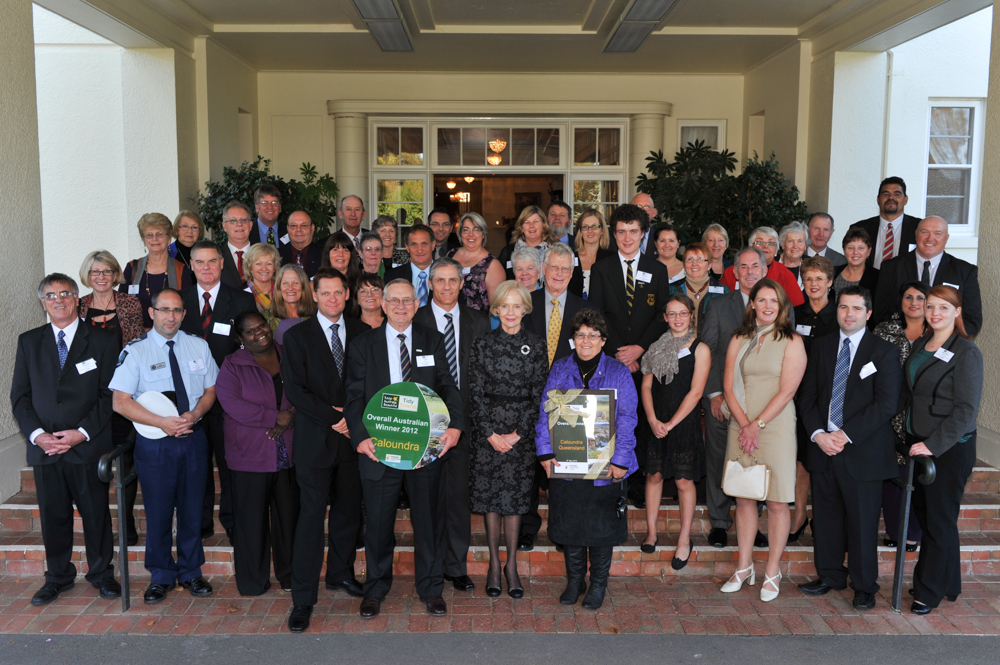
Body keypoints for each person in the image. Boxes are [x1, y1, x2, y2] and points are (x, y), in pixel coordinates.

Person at [344, 279, 465, 619]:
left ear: (416, 305)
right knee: (379, 525)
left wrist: (455, 426)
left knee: (428, 523)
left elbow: (446, 386)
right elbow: (353, 397)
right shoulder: (362, 345)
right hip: (379, 448)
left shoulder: (432, 340)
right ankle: (376, 589)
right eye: (393, 301)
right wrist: (360, 437)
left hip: (425, 448)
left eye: (407, 301)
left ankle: (431, 589)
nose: (400, 306)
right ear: (382, 305)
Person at [10, 273, 121, 606]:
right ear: (43, 303)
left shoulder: (102, 340)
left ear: (77, 299)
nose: (58, 300)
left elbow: (109, 394)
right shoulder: (29, 341)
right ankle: (58, 577)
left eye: (65, 293)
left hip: (86, 445)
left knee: (95, 514)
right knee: (54, 517)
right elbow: (20, 396)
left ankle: (102, 574)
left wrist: (81, 433)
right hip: (45, 448)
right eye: (50, 295)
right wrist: (38, 435)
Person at [110, 288, 219, 604]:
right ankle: (160, 575)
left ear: (184, 314)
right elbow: (120, 402)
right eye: (164, 310)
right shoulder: (136, 352)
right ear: (152, 313)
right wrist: (162, 423)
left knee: (192, 508)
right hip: (155, 444)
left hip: (194, 439)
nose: (170, 316)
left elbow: (211, 389)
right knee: (157, 511)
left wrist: (196, 413)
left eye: (177, 310)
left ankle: (190, 572)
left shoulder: (198, 346)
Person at [796, 286, 902, 610]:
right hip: (823, 448)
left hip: (862, 451)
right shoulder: (823, 346)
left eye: (857, 308)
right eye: (844, 307)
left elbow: (887, 404)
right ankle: (830, 575)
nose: (849, 313)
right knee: (826, 519)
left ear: (868, 313)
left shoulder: (883, 351)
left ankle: (864, 585)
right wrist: (817, 434)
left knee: (862, 523)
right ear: (838, 310)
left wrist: (844, 434)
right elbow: (808, 397)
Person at [282, 267, 369, 632]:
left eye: (339, 292)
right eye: (326, 293)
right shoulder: (297, 336)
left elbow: (373, 383)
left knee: (349, 513)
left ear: (347, 294)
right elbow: (296, 390)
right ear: (314, 295)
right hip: (316, 440)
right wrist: (334, 419)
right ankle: (303, 599)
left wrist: (353, 419)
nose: (333, 299)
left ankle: (341, 574)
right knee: (310, 520)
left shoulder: (366, 332)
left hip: (354, 440)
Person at [536, 308, 638, 610]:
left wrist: (620, 461)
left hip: (606, 467)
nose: (586, 340)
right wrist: (545, 453)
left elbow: (628, 417)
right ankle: (575, 579)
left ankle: (598, 584)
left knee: (601, 527)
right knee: (571, 525)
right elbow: (546, 412)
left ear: (603, 339)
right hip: (567, 464)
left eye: (593, 335)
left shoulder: (618, 372)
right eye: (580, 334)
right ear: (573, 339)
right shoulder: (560, 369)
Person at [720, 279, 806, 602]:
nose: (768, 306)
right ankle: (744, 567)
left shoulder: (792, 340)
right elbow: (728, 387)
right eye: (762, 300)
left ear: (781, 306)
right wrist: (744, 425)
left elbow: (788, 391)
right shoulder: (739, 339)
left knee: (777, 501)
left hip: (775, 427)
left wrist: (757, 425)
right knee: (744, 496)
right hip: (740, 426)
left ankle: (772, 569)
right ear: (752, 304)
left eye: (774, 301)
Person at [902, 286, 983, 615]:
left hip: (947, 449)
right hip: (918, 442)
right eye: (930, 306)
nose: (935, 313)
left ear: (957, 312)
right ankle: (948, 581)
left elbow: (965, 411)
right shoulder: (923, 343)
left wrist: (932, 444)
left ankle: (928, 591)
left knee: (938, 520)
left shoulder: (966, 352)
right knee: (930, 516)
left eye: (943, 308)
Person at [414, 258, 492, 592]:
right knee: (427, 499)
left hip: (466, 422)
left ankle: (455, 565)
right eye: (440, 280)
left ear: (462, 285)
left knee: (458, 497)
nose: (446, 286)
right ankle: (430, 563)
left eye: (452, 281)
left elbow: (484, 374)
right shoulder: (415, 320)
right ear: (430, 284)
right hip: (424, 422)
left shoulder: (479, 321)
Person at [466, 281, 546, 597]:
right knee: (490, 499)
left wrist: (517, 434)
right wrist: (489, 433)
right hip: (487, 434)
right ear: (496, 309)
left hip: (519, 434)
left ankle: (511, 565)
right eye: (504, 306)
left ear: (525, 309)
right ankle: (493, 565)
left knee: (514, 500)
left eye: (517, 306)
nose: (510, 312)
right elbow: (474, 390)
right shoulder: (482, 343)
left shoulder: (537, 345)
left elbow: (539, 394)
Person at [215, 311, 299, 597]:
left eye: (261, 326)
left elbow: (307, 390)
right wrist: (274, 417)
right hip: (249, 454)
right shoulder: (232, 365)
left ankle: (289, 576)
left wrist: (291, 416)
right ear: (240, 339)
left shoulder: (290, 354)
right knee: (251, 523)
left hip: (288, 452)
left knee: (288, 521)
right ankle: (253, 582)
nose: (258, 333)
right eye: (249, 331)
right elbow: (231, 404)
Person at [180, 240, 257, 543]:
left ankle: (234, 520)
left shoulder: (242, 301)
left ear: (222, 263)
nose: (207, 268)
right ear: (192, 266)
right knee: (197, 465)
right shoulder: (179, 300)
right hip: (190, 398)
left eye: (212, 261)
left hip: (228, 398)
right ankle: (200, 523)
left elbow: (250, 348)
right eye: (200, 262)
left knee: (229, 463)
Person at [517, 243, 585, 552]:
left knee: (563, 469)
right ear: (543, 269)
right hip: (526, 400)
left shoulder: (585, 309)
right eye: (553, 267)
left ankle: (563, 530)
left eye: (565, 269)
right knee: (529, 469)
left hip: (567, 402)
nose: (558, 273)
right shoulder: (524, 304)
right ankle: (527, 528)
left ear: (572, 274)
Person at [699, 247, 767, 548]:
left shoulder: (775, 306)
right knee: (719, 460)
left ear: (764, 270)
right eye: (744, 266)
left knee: (756, 459)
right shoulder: (717, 306)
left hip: (762, 403)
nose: (750, 271)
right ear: (734, 272)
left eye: (756, 266)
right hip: (722, 401)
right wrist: (714, 394)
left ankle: (753, 523)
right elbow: (707, 351)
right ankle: (720, 522)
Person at [78, 251, 144, 544]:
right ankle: (100, 524)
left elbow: (137, 345)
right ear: (87, 276)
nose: (101, 277)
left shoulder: (130, 303)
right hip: (88, 394)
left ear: (116, 275)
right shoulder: (78, 306)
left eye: (107, 271)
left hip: (122, 389)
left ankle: (126, 521)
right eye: (95, 272)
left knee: (125, 457)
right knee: (95, 460)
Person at [639, 293, 709, 568]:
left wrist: (671, 424)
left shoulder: (700, 348)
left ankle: (683, 539)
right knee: (654, 475)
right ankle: (652, 531)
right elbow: (645, 386)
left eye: (683, 313)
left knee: (683, 482)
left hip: (684, 423)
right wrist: (654, 420)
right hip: (656, 421)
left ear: (691, 315)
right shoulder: (656, 347)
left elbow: (696, 392)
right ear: (665, 317)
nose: (678, 318)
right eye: (672, 313)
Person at [873, 282, 929, 551]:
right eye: (909, 297)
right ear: (901, 301)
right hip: (888, 412)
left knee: (917, 475)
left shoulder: (936, 332)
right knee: (892, 475)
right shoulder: (885, 330)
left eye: (920, 297)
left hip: (921, 417)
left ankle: (913, 533)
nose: (914, 302)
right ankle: (895, 530)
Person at [588, 204, 670, 375]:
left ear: (643, 233)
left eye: (633, 231)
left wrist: (639, 348)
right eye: (621, 231)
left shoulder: (658, 270)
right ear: (614, 234)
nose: (627, 238)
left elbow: (662, 315)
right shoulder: (600, 269)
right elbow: (597, 313)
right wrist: (622, 352)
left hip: (648, 358)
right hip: (611, 356)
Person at [790, 256, 839, 541]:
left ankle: (823, 518)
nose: (813, 284)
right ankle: (799, 515)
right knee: (800, 461)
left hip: (831, 397)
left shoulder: (841, 314)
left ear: (830, 282)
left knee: (824, 461)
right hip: (797, 395)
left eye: (819, 278)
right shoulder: (794, 315)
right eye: (808, 278)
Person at [872, 216, 982, 335]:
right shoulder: (891, 268)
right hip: (899, 345)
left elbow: (972, 320)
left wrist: (945, 343)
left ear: (946, 238)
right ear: (916, 234)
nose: (930, 238)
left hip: (945, 346)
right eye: (925, 232)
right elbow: (880, 313)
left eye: (937, 233)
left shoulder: (965, 271)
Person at [120, 212, 194, 329]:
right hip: (137, 339)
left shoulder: (181, 270)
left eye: (160, 234)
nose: (154, 239)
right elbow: (122, 307)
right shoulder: (132, 268)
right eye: (149, 235)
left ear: (169, 238)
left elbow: (187, 309)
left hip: (171, 337)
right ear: (144, 240)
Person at [719, 226, 804, 306]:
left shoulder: (786, 275)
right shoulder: (732, 272)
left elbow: (796, 308)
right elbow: (719, 303)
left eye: (771, 243)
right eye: (760, 242)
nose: (765, 246)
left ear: (776, 250)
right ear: (750, 246)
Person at [849, 177, 921, 269]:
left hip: (905, 282)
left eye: (897, 194)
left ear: (906, 199)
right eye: (885, 194)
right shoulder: (860, 228)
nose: (891, 197)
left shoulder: (919, 227)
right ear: (878, 199)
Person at [449, 212, 504, 312]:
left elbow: (496, 309)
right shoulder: (450, 255)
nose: (471, 234)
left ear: (483, 234)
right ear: (460, 234)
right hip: (448, 322)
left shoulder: (493, 265)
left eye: (476, 230)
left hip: (477, 325)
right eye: (466, 230)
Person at [670, 242, 729, 330]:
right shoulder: (671, 290)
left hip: (711, 343)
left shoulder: (723, 292)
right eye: (690, 259)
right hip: (678, 342)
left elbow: (727, 325)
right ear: (684, 264)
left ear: (709, 265)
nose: (694, 263)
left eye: (700, 259)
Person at [497, 206, 554, 280]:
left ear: (543, 225)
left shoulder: (554, 251)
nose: (531, 226)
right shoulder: (508, 252)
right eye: (527, 222)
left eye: (536, 221)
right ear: (521, 228)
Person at [384, 225, 435, 307]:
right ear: (407, 247)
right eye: (414, 244)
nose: (419, 250)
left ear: (433, 245)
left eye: (424, 244)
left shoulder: (445, 275)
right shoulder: (391, 276)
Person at [569, 208, 614, 300]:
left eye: (595, 226)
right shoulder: (569, 258)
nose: (590, 231)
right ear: (580, 231)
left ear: (602, 231)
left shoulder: (612, 258)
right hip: (573, 311)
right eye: (585, 227)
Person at [272, 264, 316, 345]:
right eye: (285, 283)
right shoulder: (268, 318)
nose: (290, 287)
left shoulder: (316, 318)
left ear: (303, 286)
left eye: (295, 283)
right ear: (279, 287)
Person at [243, 243, 282, 331]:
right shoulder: (241, 295)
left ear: (274, 267)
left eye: (269, 263)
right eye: (258, 264)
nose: (264, 268)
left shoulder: (283, 291)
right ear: (250, 268)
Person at [833, 228, 879, 299]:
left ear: (868, 252)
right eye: (851, 248)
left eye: (861, 248)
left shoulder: (878, 278)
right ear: (844, 251)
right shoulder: (833, 273)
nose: (855, 252)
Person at [279, 211, 322, 278]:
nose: (298, 230)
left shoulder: (324, 255)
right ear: (288, 229)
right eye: (294, 225)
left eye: (304, 225)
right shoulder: (277, 256)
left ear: (312, 228)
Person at [249, 183, 288, 249]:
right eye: (264, 203)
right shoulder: (247, 233)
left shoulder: (288, 233)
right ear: (257, 207)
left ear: (280, 207)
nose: (270, 207)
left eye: (274, 202)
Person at [778, 222, 808, 287]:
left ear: (805, 245)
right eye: (790, 241)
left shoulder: (811, 265)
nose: (795, 246)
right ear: (783, 244)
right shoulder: (771, 265)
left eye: (800, 241)